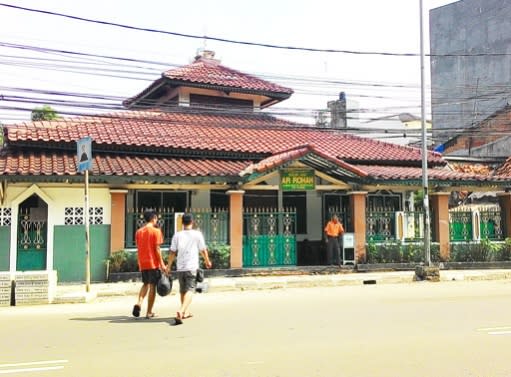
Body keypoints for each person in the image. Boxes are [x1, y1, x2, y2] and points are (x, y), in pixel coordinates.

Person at [167, 213, 212, 324]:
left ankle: (185, 312)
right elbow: (203, 249)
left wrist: (168, 266)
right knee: (191, 290)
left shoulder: (177, 235)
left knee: (183, 291)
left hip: (180, 268)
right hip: (191, 267)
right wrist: (207, 261)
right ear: (192, 222)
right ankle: (181, 310)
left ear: (182, 223)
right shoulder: (197, 234)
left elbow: (172, 252)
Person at [132, 210, 166, 319]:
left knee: (145, 284)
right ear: (153, 218)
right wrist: (162, 264)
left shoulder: (139, 232)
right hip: (153, 263)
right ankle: (149, 312)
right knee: (152, 286)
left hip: (143, 262)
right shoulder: (156, 231)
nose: (157, 220)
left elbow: (139, 247)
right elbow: (157, 249)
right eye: (156, 218)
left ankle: (139, 303)